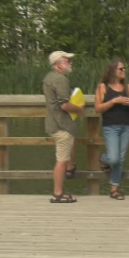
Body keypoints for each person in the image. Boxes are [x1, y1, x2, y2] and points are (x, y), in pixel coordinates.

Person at [43, 50, 85, 203]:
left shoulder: (49, 77)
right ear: (59, 64)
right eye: (68, 61)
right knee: (61, 160)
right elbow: (64, 105)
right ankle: (58, 194)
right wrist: (80, 109)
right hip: (62, 126)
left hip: (53, 124)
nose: (70, 63)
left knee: (63, 159)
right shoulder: (60, 79)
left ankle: (69, 170)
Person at [94, 59, 129, 200]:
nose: (124, 71)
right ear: (113, 71)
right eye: (121, 69)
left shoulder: (128, 88)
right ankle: (102, 159)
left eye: (124, 68)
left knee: (121, 159)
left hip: (127, 126)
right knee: (113, 158)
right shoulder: (103, 87)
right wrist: (114, 101)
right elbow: (98, 108)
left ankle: (114, 189)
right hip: (110, 127)